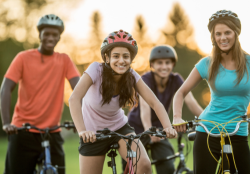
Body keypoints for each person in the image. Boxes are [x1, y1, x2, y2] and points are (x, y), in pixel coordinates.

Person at [173, 10, 250, 174]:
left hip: (237, 131)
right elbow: (181, 92)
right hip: (207, 131)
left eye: (227, 32)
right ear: (213, 37)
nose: (223, 37)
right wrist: (177, 117)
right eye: (218, 34)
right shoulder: (207, 63)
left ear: (236, 33)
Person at [68, 30, 177, 174]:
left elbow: (155, 103)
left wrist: (168, 126)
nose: (121, 60)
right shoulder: (95, 69)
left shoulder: (132, 75)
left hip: (120, 129)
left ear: (131, 58)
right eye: (116, 56)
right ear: (107, 58)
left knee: (144, 165)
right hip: (93, 133)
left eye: (126, 56)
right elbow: (74, 99)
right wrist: (82, 131)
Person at [0, 14, 80, 174]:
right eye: (47, 34)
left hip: (52, 132)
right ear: (40, 35)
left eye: (54, 35)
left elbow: (79, 90)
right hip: (22, 130)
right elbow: (6, 89)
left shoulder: (64, 60)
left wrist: (81, 121)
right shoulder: (23, 57)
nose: (50, 37)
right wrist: (7, 122)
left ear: (59, 37)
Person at [125, 45, 203, 174]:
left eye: (167, 62)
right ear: (152, 65)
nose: (164, 66)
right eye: (159, 63)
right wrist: (149, 131)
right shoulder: (146, 79)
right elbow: (145, 108)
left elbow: (191, 102)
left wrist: (208, 120)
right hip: (137, 128)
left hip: (159, 129)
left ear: (173, 64)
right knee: (133, 168)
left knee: (167, 167)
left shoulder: (176, 79)